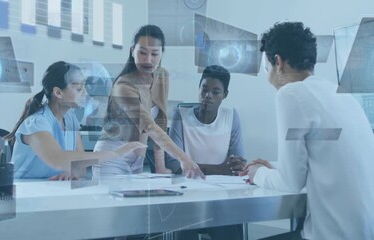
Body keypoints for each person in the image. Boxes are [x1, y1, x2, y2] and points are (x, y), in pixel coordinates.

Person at [241, 22, 374, 240]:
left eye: (267, 69)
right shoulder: (340, 94)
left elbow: (292, 182)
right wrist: (274, 166)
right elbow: (322, 158)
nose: (268, 78)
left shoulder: (290, 94)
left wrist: (258, 174)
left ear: (278, 62)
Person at [94, 25, 204, 179]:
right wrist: (183, 158)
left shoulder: (161, 76)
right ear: (132, 51)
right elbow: (150, 127)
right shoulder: (123, 86)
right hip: (111, 159)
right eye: (142, 53)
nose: (148, 60)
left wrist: (160, 166)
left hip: (137, 160)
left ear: (161, 54)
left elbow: (159, 122)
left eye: (154, 54)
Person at [5, 61, 145, 179]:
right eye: (78, 88)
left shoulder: (70, 118)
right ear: (58, 93)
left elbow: (81, 168)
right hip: (25, 190)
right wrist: (115, 153)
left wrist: (70, 171)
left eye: (84, 86)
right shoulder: (36, 123)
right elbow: (57, 159)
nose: (85, 92)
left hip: (53, 189)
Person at [165, 65, 245, 240]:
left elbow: (238, 162)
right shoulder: (181, 115)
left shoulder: (231, 116)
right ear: (199, 88)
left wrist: (237, 166)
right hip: (187, 197)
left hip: (221, 197)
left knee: (230, 229)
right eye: (204, 89)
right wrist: (220, 169)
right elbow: (172, 163)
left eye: (216, 92)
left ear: (225, 95)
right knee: (184, 226)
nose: (208, 95)